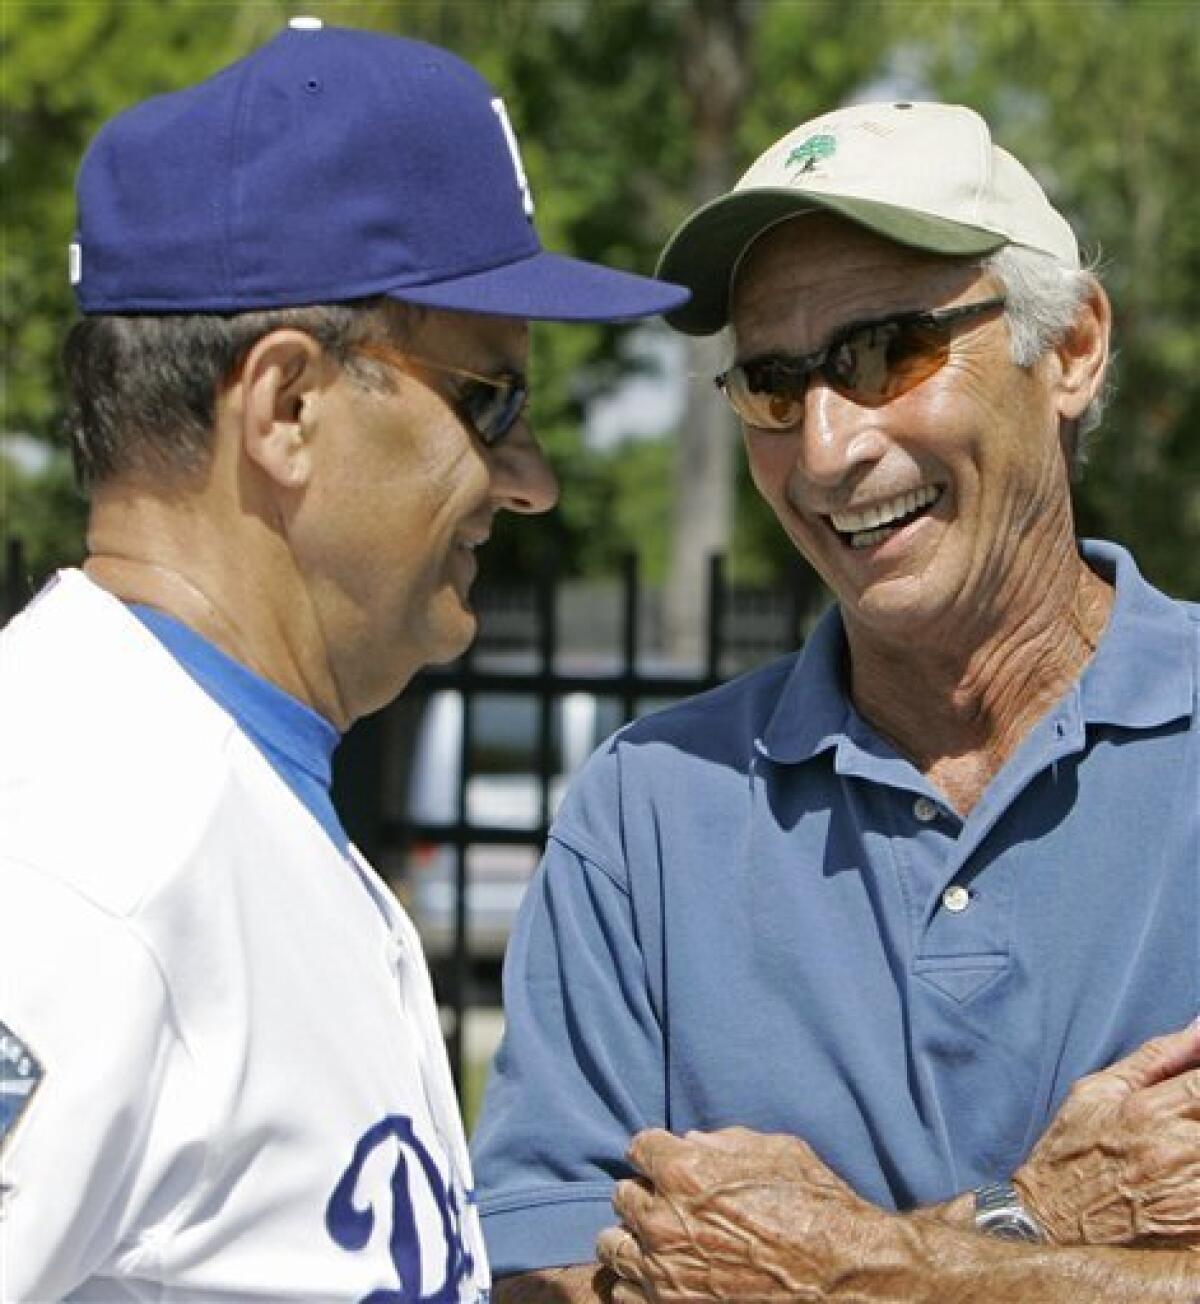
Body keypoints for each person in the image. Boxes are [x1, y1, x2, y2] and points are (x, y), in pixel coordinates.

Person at [0, 20, 686, 1301]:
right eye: (492, 398)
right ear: (287, 410)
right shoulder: (75, 853)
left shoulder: (221, 791)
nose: (526, 480)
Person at [471, 101, 1200, 1300]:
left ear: (1069, 349)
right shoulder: (646, 816)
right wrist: (1034, 1225)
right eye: (771, 382)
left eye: (884, 353)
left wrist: (873, 1268)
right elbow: (542, 1284)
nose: (823, 450)